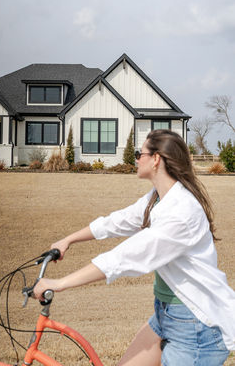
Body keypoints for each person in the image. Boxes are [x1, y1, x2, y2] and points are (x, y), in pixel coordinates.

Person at [34, 129, 235, 365]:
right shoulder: (158, 197)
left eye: (141, 153)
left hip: (196, 326)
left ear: (157, 159)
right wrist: (68, 240)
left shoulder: (181, 213)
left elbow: (126, 256)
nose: (136, 158)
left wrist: (60, 283)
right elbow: (120, 221)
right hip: (165, 314)